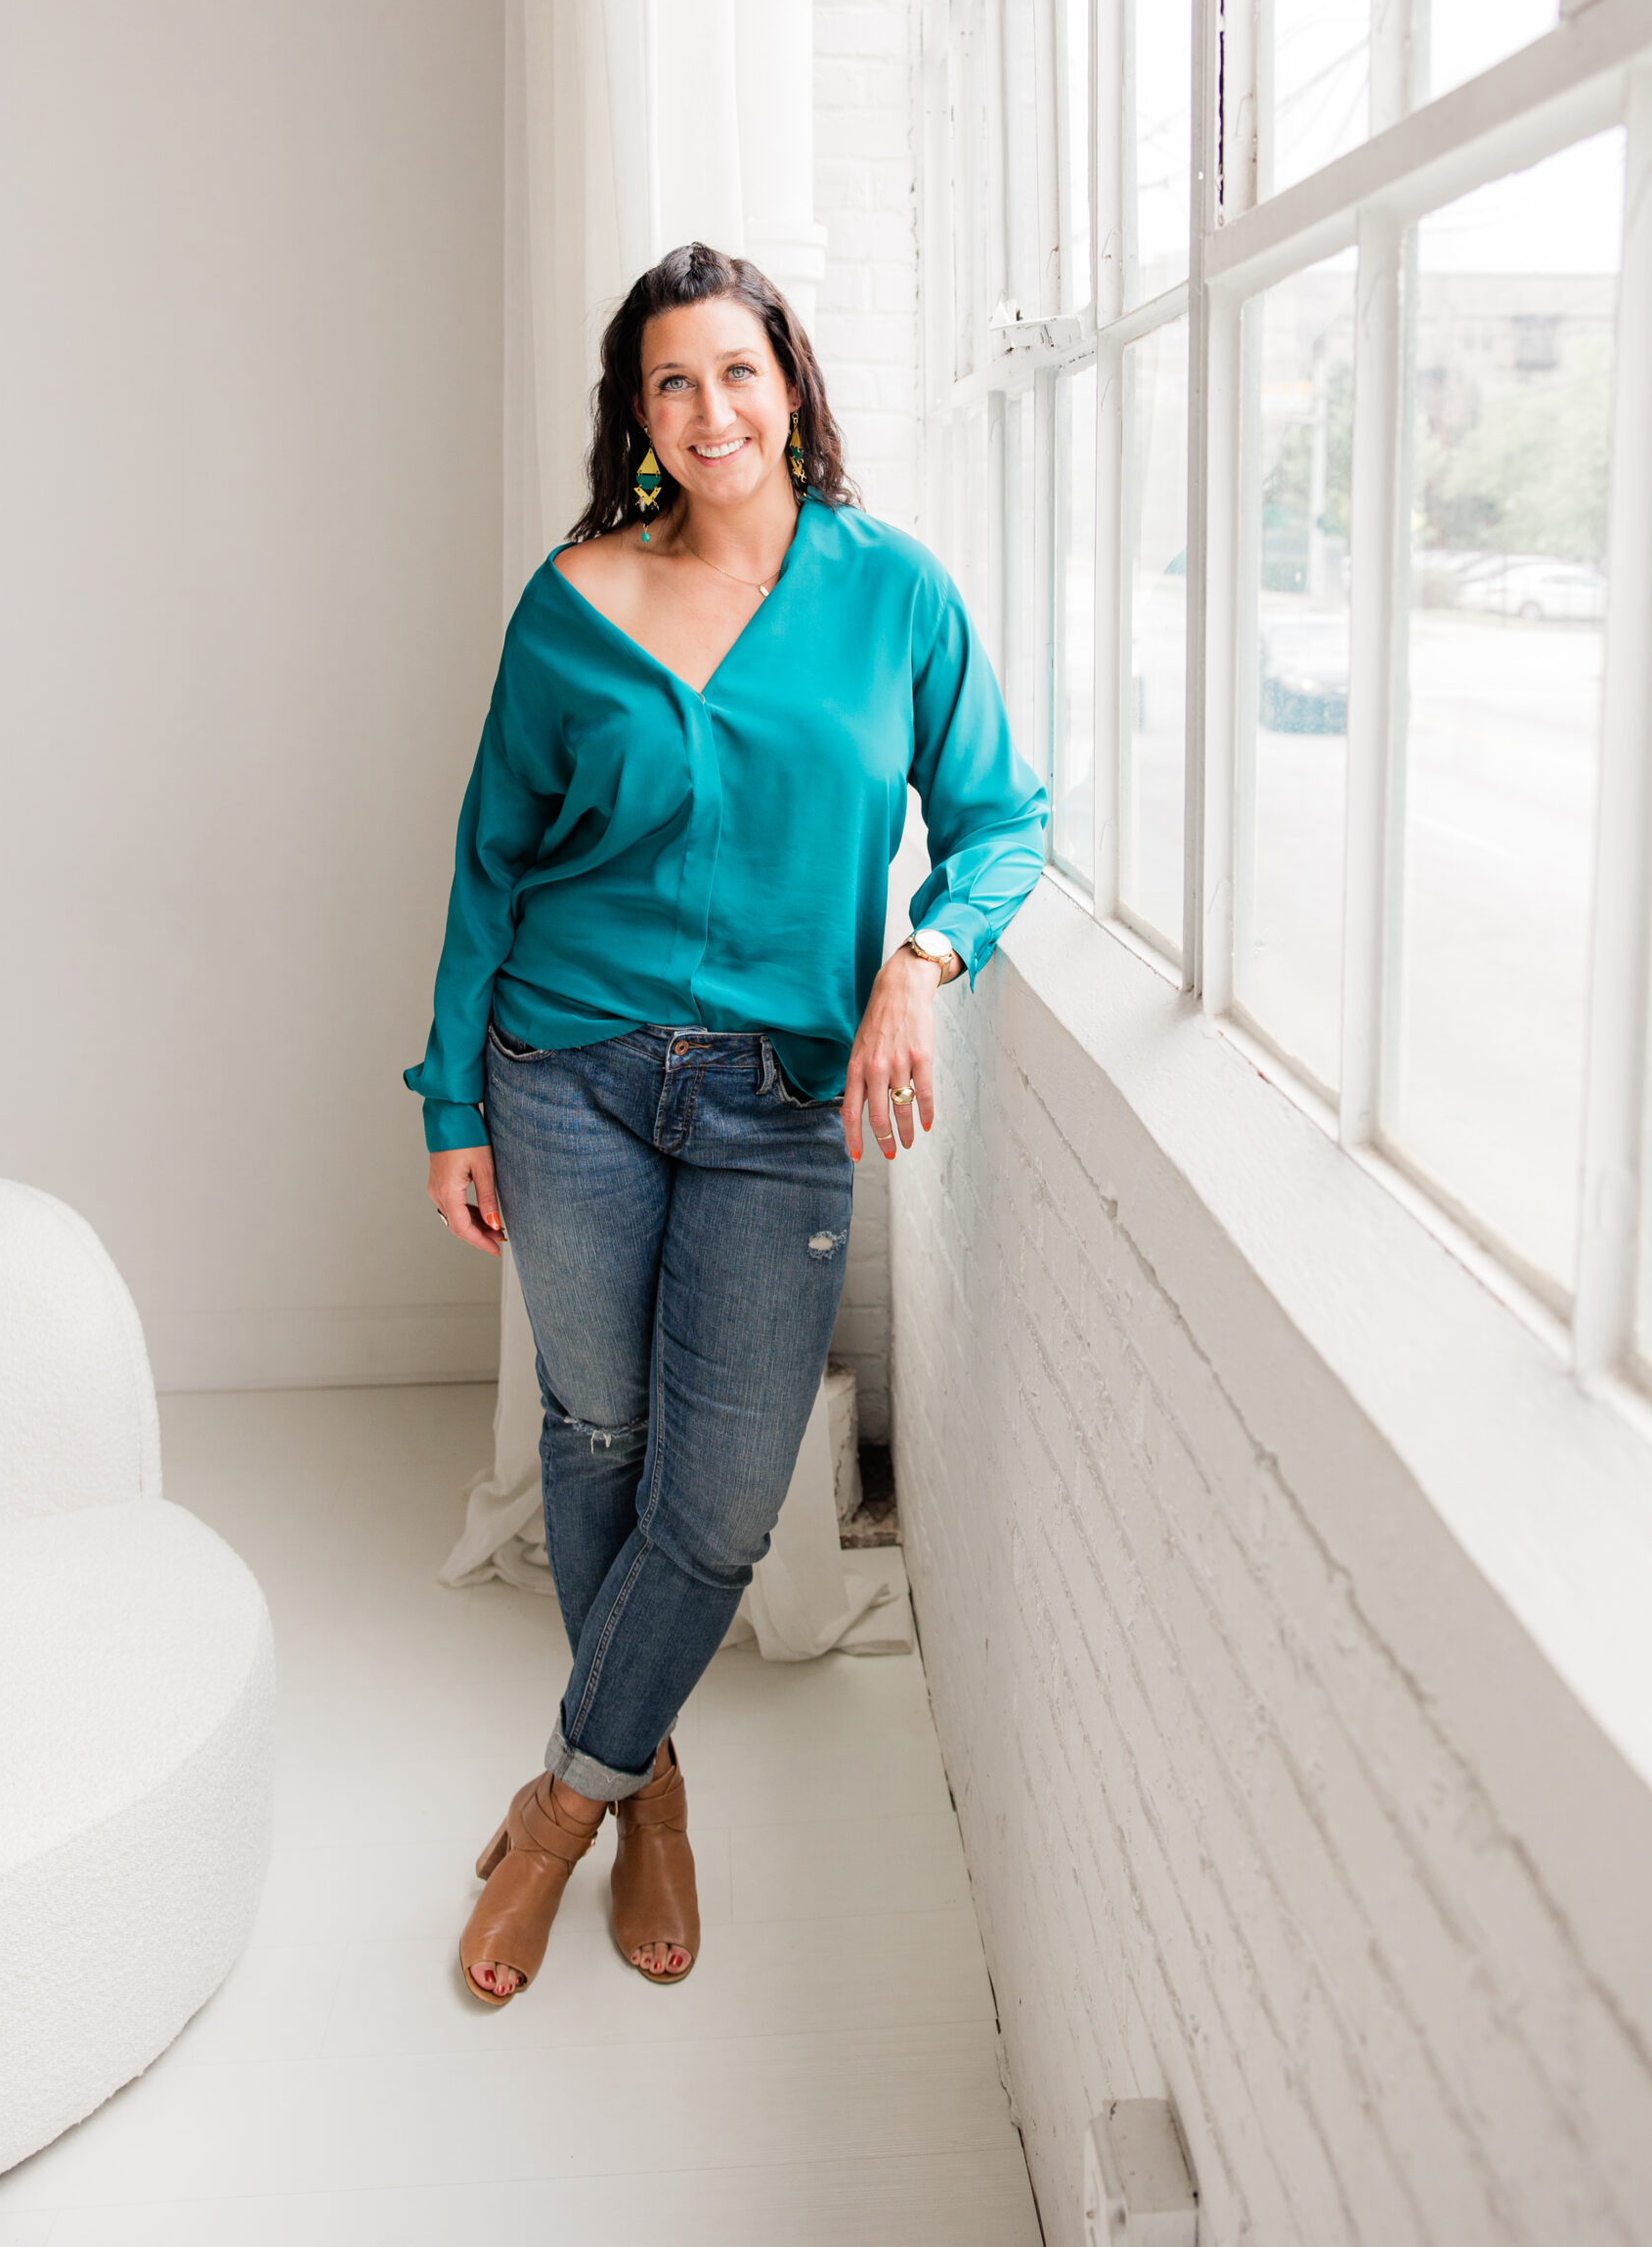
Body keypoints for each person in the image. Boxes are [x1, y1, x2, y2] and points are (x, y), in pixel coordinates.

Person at [407, 240, 1046, 2004]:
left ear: (794, 386)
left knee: (721, 1503)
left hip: (782, 1102)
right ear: (638, 412)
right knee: (597, 1438)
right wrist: (454, 1098)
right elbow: (491, 861)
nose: (710, 411)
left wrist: (921, 961)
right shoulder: (572, 601)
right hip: (567, 1072)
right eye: (671, 382)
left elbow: (1001, 818)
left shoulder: (891, 595)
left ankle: (559, 1806)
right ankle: (655, 1799)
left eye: (738, 372)